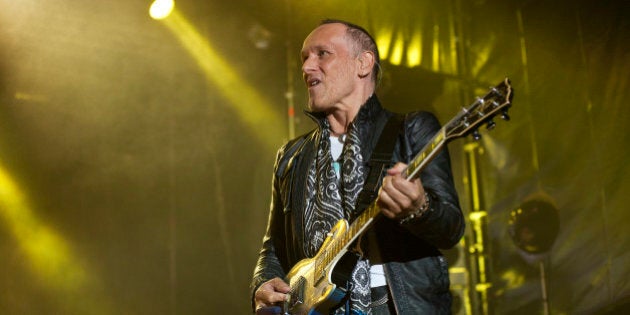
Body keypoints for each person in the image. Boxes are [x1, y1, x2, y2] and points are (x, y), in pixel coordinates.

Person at [251, 19, 464, 314]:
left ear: (363, 63)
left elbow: (451, 228)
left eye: (322, 54)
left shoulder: (410, 130)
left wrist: (419, 209)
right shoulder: (292, 155)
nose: (307, 67)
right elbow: (273, 245)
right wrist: (261, 284)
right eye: (304, 58)